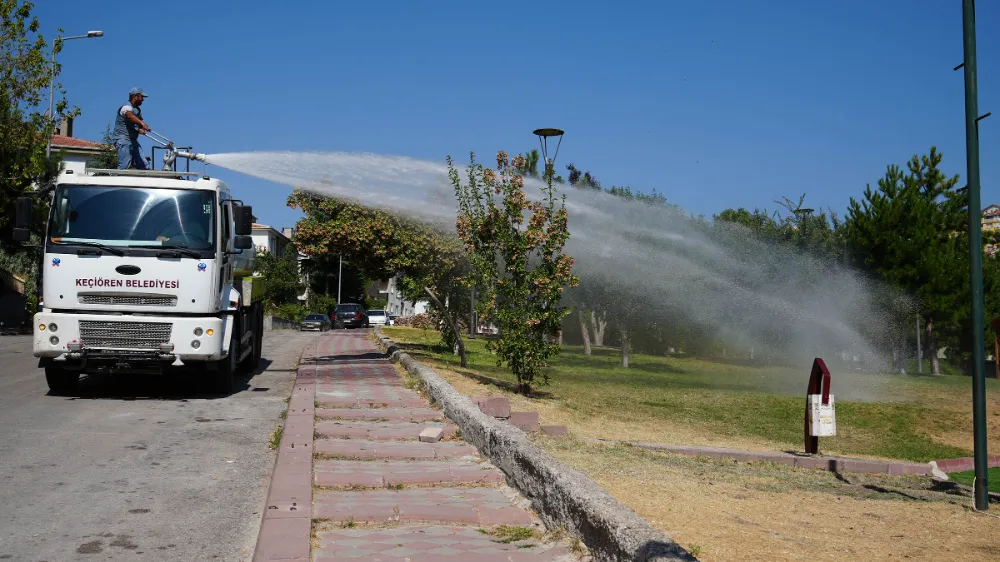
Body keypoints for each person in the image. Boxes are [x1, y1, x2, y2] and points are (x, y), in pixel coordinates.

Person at [113, 87, 151, 170]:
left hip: (132, 140)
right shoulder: (126, 107)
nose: (143, 100)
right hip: (123, 139)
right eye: (141, 97)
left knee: (144, 165)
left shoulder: (137, 110)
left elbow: (137, 122)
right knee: (124, 165)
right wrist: (141, 123)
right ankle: (116, 181)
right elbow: (130, 116)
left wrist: (143, 127)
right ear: (135, 97)